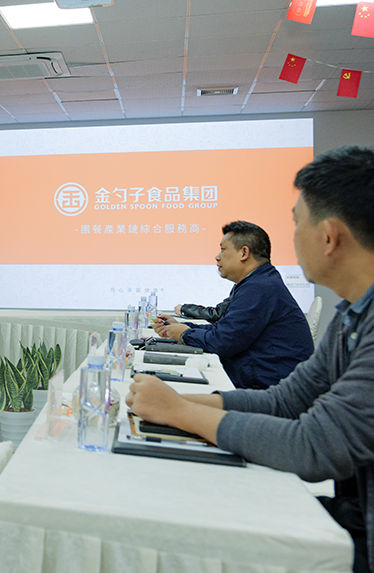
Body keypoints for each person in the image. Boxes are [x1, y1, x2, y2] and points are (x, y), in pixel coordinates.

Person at [127, 147, 374, 573]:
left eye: (296, 222)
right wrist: (173, 403)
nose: (292, 238)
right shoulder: (351, 315)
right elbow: (284, 401)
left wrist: (180, 411)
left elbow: (314, 445)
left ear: (329, 236)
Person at [152, 220, 313, 389]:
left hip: (269, 388)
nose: (217, 257)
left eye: (223, 250)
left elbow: (222, 343)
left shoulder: (260, 287)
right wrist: (183, 327)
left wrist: (185, 334)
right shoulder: (258, 282)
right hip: (259, 377)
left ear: (244, 253)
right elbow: (224, 330)